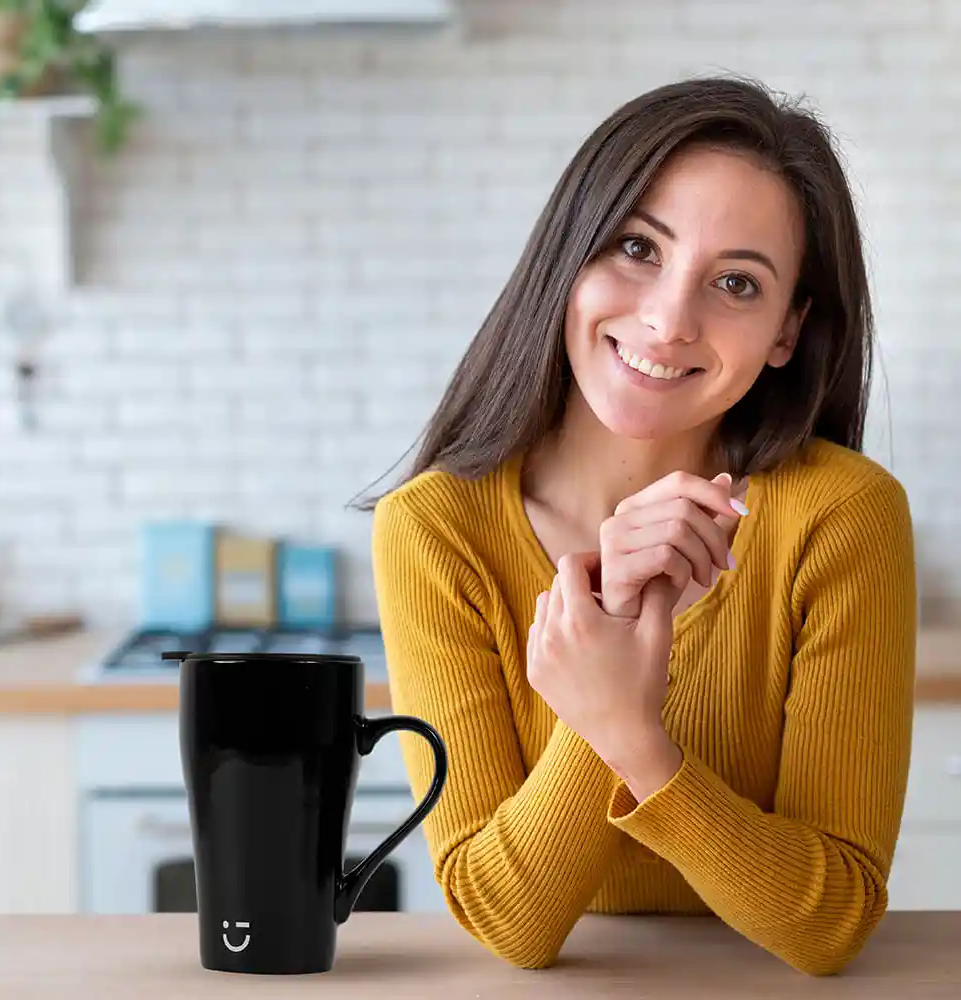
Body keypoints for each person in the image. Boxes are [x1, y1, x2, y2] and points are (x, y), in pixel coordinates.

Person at [362, 76, 916, 977]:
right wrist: (606, 663)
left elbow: (832, 923)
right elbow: (506, 922)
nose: (668, 319)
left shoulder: (842, 518)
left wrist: (632, 735)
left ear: (788, 329)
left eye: (737, 282)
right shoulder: (436, 529)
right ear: (569, 257)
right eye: (636, 248)